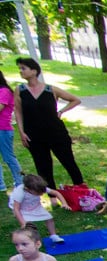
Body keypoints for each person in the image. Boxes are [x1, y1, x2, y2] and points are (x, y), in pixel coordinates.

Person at [13, 57, 84, 190]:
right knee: (43, 165)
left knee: (68, 161)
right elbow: (18, 112)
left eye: (23, 68)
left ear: (34, 71)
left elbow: (75, 100)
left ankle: (81, 188)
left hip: (56, 132)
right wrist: (22, 132)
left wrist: (61, 111)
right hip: (33, 134)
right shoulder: (20, 90)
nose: (21, 71)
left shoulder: (50, 89)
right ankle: (51, 193)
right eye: (19, 69)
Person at [9, 174, 68, 244]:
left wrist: (64, 203)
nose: (41, 194)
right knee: (28, 225)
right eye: (38, 192)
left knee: (49, 218)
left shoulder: (39, 187)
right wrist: (22, 223)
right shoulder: (20, 193)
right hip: (22, 209)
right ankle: (30, 240)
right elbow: (16, 209)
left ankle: (54, 236)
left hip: (35, 206)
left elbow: (56, 193)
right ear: (28, 189)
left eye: (42, 192)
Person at [0, 70, 23, 192]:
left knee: (8, 157)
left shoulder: (4, 91)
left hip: (2, 129)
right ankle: (1, 185)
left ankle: (19, 182)